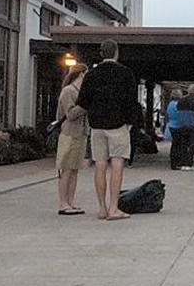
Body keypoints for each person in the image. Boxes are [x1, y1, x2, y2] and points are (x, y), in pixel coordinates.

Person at [76, 40, 138, 221]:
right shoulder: (125, 73)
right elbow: (131, 102)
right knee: (117, 165)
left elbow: (83, 102)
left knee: (100, 165)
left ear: (101, 54)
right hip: (118, 125)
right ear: (116, 53)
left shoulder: (91, 74)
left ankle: (102, 208)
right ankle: (113, 208)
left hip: (97, 126)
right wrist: (130, 123)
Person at [54, 63, 89, 215]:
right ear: (81, 74)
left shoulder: (81, 91)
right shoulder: (68, 91)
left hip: (81, 133)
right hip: (69, 133)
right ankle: (63, 203)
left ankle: (71, 202)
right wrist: (85, 105)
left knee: (75, 169)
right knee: (66, 169)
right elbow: (70, 114)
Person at [175, 84, 194, 170]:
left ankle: (183, 162)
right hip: (193, 125)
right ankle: (189, 162)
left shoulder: (181, 100)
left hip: (182, 125)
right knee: (193, 145)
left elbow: (178, 112)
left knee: (183, 144)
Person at [165, 89, 184, 169]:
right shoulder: (178, 104)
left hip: (171, 125)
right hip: (178, 125)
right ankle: (176, 163)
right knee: (178, 145)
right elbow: (180, 115)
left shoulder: (170, 104)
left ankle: (173, 162)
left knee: (174, 145)